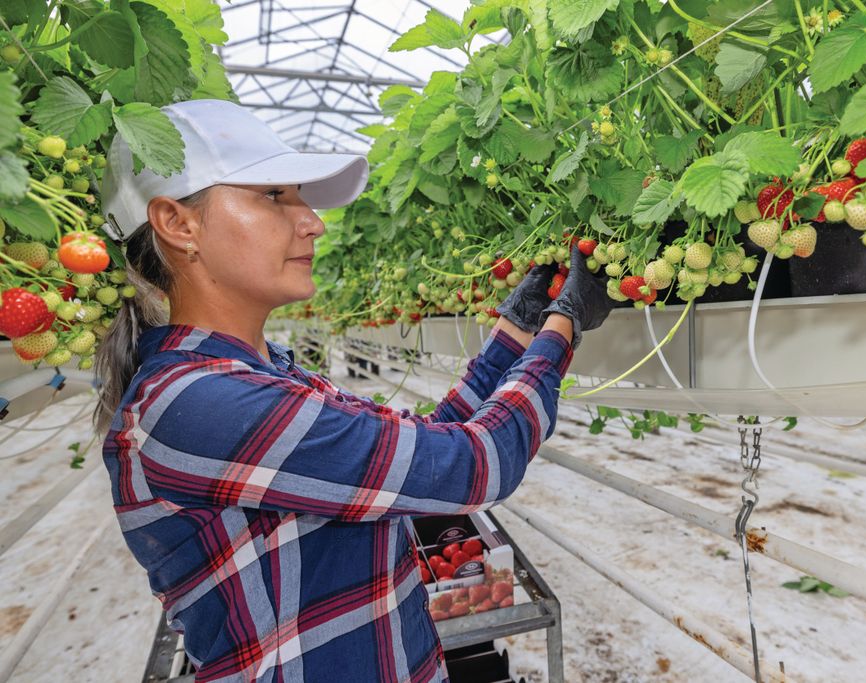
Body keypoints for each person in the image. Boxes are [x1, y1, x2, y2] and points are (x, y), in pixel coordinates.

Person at [94, 99, 613, 683]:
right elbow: (478, 466)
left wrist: (516, 335)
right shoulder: (195, 406)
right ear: (178, 224)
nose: (312, 220)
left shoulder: (263, 377)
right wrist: (561, 329)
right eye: (274, 195)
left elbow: (431, 450)